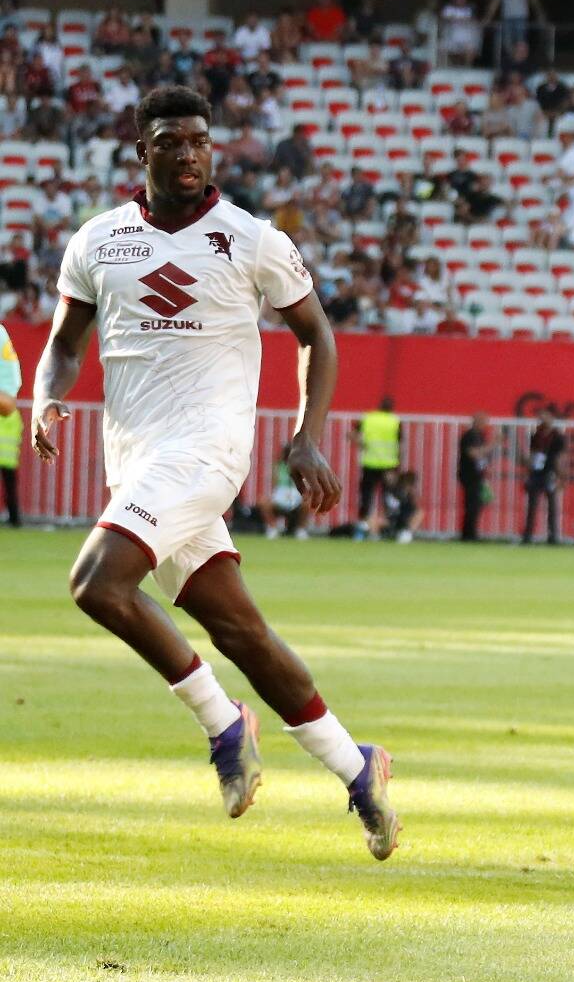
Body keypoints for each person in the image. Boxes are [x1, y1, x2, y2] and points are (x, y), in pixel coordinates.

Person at [28, 85, 398, 858]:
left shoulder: (252, 239)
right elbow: (64, 342)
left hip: (206, 451)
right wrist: (46, 395)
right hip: (136, 461)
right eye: (171, 141)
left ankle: (225, 727)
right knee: (241, 632)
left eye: (199, 140)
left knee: (96, 584)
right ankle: (357, 767)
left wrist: (305, 438)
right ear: (144, 151)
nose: (189, 153)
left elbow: (317, 335)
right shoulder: (98, 241)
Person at [351, 396, 401, 538]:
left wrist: (363, 445)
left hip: (370, 462)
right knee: (388, 499)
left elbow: (353, 435)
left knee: (366, 498)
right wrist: (398, 464)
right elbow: (400, 444)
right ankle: (385, 529)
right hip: (389, 465)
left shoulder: (368, 418)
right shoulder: (395, 421)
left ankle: (363, 529)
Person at [521, 405, 565, 544]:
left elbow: (559, 457)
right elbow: (532, 454)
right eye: (540, 416)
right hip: (536, 472)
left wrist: (560, 476)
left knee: (552, 505)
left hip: (550, 472)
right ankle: (528, 535)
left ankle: (553, 536)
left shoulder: (558, 436)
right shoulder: (536, 435)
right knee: (532, 504)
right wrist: (528, 470)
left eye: (545, 415)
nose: (542, 418)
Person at [456, 412, 493, 542]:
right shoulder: (469, 436)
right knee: (472, 505)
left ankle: (470, 533)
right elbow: (473, 453)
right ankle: (468, 535)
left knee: (476, 505)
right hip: (469, 475)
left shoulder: (479, 436)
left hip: (478, 475)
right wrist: (493, 444)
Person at [0, 319, 21, 526]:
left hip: (5, 454)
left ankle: (14, 518)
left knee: (10, 485)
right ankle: (14, 518)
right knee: (9, 485)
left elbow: (7, 404)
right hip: (7, 455)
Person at [258, 460, 306, 539]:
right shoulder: (278, 467)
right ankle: (273, 528)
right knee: (263, 502)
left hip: (296, 498)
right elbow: (275, 486)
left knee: (308, 502)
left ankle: (300, 530)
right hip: (280, 498)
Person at [379, 468, 419, 544]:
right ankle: (375, 537)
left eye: (390, 474)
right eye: (386, 474)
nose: (388, 477)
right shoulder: (385, 488)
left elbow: (415, 505)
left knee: (419, 513)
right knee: (376, 518)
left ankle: (407, 534)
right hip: (391, 516)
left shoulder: (403, 487)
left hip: (403, 517)